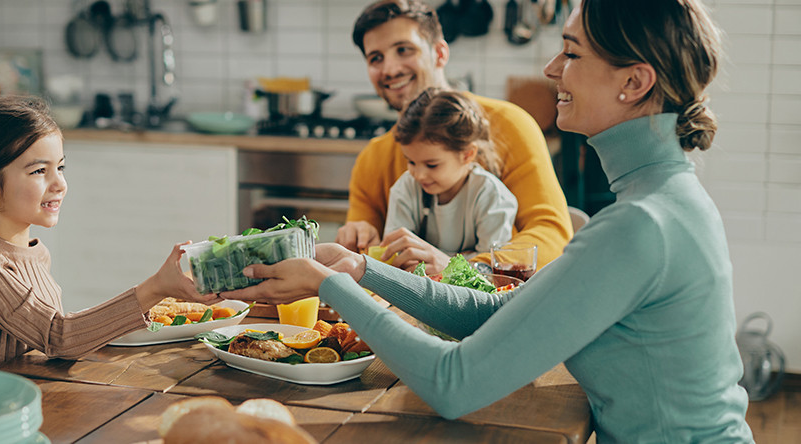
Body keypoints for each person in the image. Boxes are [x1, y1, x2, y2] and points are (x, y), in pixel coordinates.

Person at [224, 0, 754, 441]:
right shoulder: (661, 201)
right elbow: (502, 311)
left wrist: (330, 285)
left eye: (570, 53)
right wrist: (363, 271)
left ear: (634, 82)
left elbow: (454, 385)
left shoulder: (641, 224)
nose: (551, 69)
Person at [0, 96, 219, 368]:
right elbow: (57, 337)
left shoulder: (34, 252)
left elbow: (51, 337)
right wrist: (154, 288)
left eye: (61, 167)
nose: (59, 184)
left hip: (34, 396)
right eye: (39, 171)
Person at [337, 0, 571, 275]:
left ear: (439, 53)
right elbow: (365, 258)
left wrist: (465, 271)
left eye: (403, 50)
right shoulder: (372, 159)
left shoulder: (511, 125)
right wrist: (359, 235)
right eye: (375, 58)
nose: (389, 69)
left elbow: (551, 232)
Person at [383, 87, 516, 263]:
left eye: (432, 165)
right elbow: (396, 256)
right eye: (411, 162)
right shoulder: (405, 188)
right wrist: (468, 257)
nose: (419, 175)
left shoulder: (492, 197)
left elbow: (490, 270)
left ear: (467, 155)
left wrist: (444, 263)